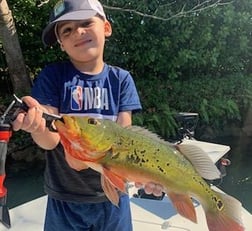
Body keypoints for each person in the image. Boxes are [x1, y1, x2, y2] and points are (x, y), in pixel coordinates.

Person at [12, 0, 163, 230]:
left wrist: (149, 175)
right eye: (67, 30)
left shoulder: (121, 79)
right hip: (64, 199)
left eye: (85, 23)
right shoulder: (53, 76)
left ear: (106, 28)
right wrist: (37, 127)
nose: (78, 32)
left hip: (114, 199)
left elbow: (126, 140)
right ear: (61, 43)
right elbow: (51, 140)